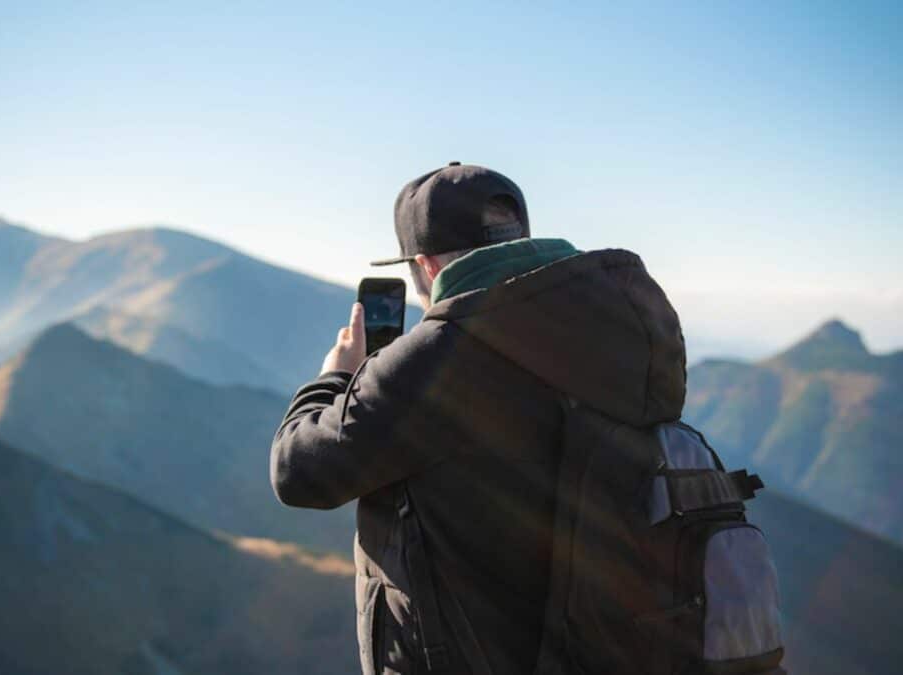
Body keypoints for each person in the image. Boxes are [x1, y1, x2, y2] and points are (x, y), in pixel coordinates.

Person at [270, 162, 687, 674]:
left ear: (425, 267)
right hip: (610, 650)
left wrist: (335, 379)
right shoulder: (622, 328)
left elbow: (299, 473)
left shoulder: (439, 357)